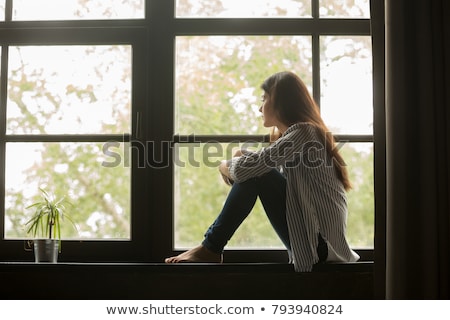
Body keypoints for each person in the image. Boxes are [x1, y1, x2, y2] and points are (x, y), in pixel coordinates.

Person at [165, 71, 360, 271]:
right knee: (256, 170)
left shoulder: (304, 132)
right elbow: (258, 166)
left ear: (282, 102)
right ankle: (210, 248)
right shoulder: (303, 135)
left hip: (321, 249)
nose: (260, 108)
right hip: (316, 246)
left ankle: (211, 248)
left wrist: (223, 165)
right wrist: (242, 155)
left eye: (264, 99)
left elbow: (246, 171)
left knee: (257, 173)